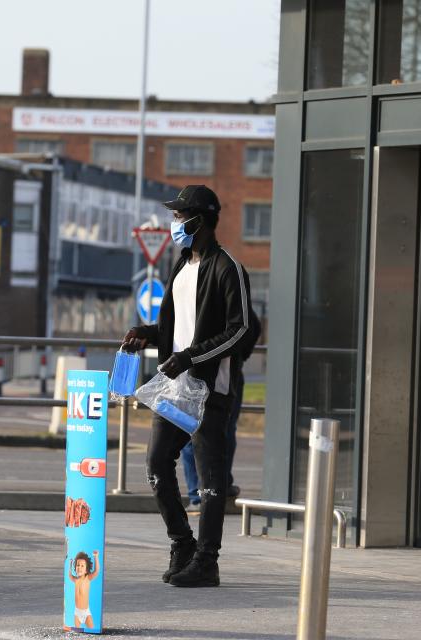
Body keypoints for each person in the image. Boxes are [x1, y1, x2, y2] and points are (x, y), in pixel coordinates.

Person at [122, 184, 252, 588]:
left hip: (211, 389)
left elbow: (242, 330)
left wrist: (191, 357)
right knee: (158, 464)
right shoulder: (181, 265)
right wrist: (147, 333)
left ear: (200, 219)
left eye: (180, 216)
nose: (175, 222)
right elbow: (175, 326)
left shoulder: (227, 267)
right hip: (175, 387)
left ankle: (207, 561)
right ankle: (182, 543)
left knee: (211, 477)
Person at [180, 290, 261, 505]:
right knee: (224, 431)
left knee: (191, 432)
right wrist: (239, 357)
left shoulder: (197, 299)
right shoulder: (235, 299)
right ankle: (219, 487)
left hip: (194, 373)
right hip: (229, 375)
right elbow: (253, 328)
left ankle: (198, 494)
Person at [68, 550, 100, 628]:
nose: (79, 567)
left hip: (86, 612)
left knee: (92, 629)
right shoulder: (75, 580)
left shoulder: (88, 578)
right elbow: (70, 576)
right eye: (78, 565)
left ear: (86, 570)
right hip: (77, 612)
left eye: (82, 566)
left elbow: (96, 571)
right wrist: (70, 564)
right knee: (77, 632)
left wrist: (96, 557)